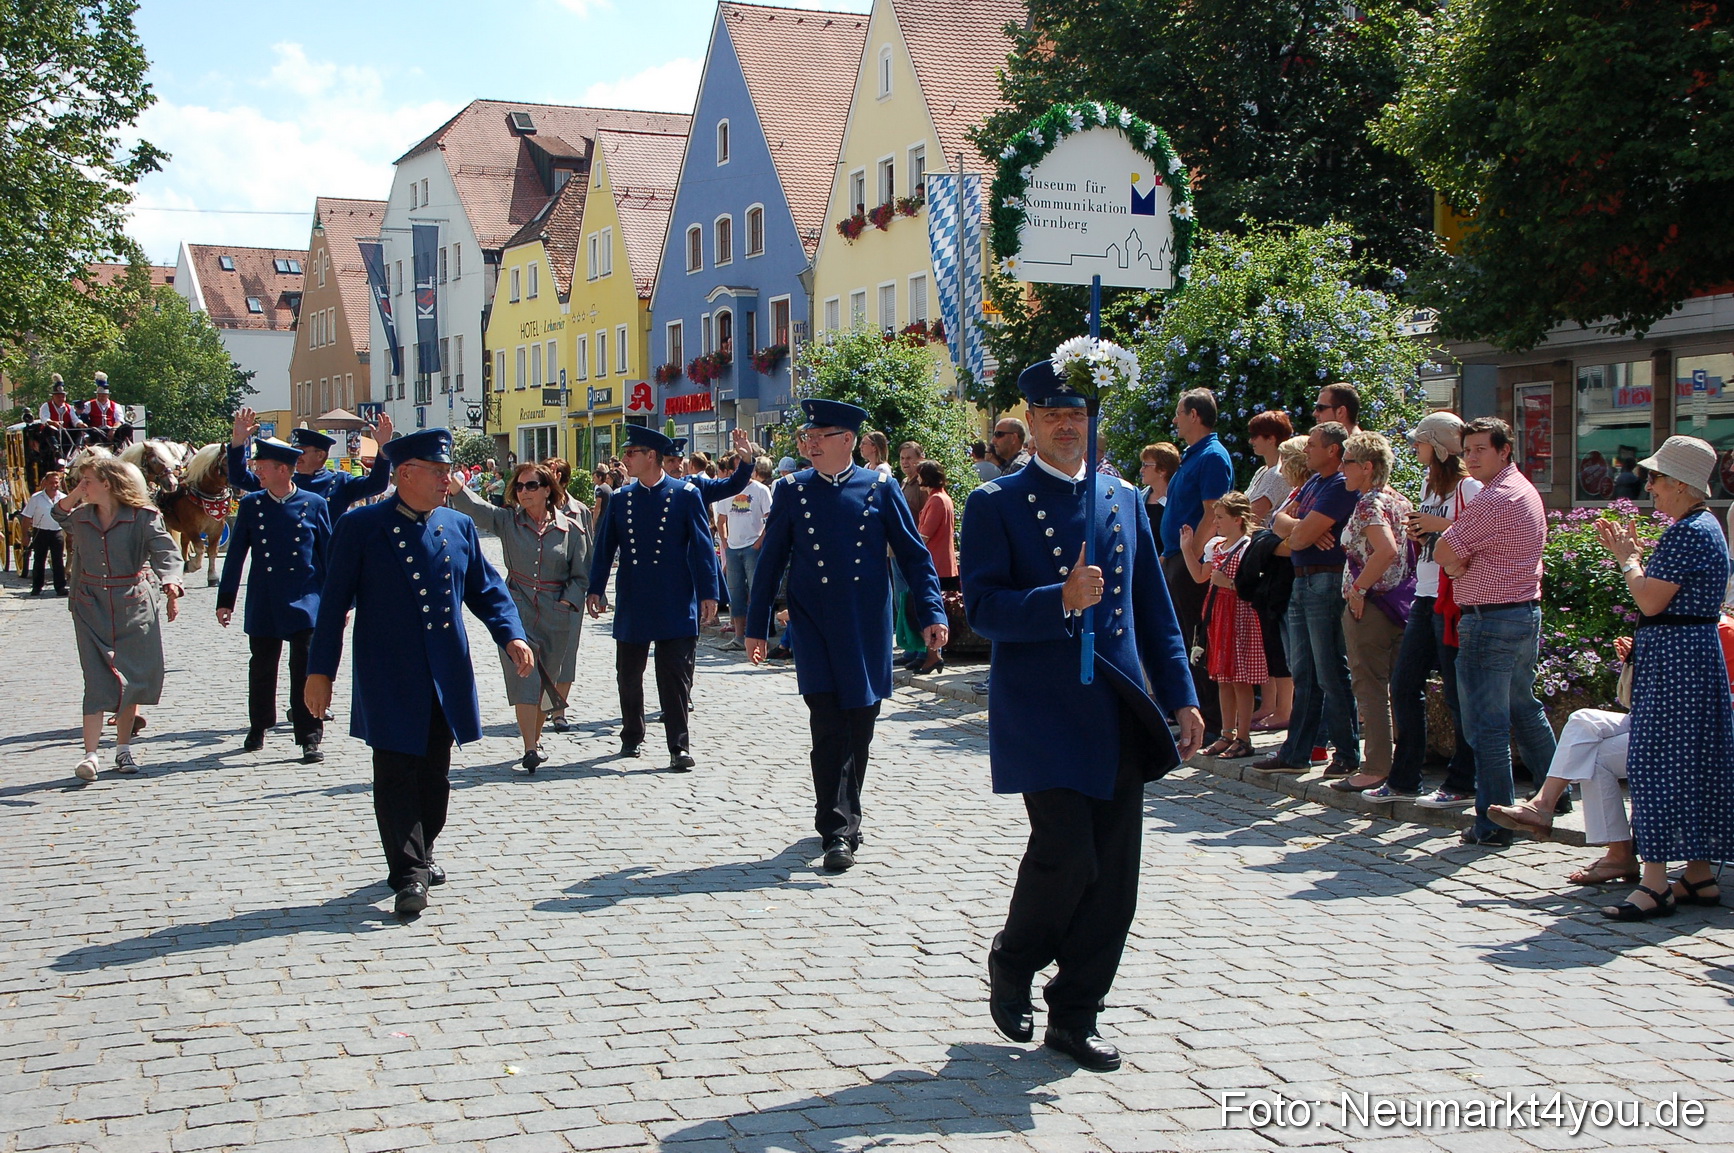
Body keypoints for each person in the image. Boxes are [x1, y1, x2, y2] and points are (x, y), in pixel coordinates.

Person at [961, 359, 1203, 1073]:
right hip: (1042, 706)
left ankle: (1076, 1012)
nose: (1067, 425)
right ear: (1030, 425)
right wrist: (1057, 598)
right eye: (1052, 415)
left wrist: (1182, 693)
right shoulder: (997, 503)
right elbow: (983, 607)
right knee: (1067, 855)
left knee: (1114, 877)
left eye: (1078, 415)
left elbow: (1156, 612)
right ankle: (1016, 957)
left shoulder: (1121, 498)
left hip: (1117, 705)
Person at [306, 428, 532, 917]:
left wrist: (510, 632)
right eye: (438, 471)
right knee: (394, 774)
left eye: (447, 471)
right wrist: (319, 671)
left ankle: (424, 849)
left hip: (444, 671)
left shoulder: (457, 525)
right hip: (387, 673)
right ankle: (407, 872)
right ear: (405, 473)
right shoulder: (361, 527)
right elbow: (332, 606)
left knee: (435, 776)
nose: (446, 479)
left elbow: (486, 589)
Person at [746, 399, 946, 870]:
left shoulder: (880, 486)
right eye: (807, 437)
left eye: (822, 435)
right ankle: (835, 829)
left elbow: (915, 556)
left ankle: (846, 813)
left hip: (865, 628)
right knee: (827, 724)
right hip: (814, 625)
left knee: (860, 726)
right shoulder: (792, 490)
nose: (810, 444)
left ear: (848, 441)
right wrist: (757, 626)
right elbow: (771, 561)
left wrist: (932, 611)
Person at [1584, 436, 1734, 919]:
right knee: (1692, 762)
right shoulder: (1704, 527)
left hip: (1676, 661)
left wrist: (1628, 559)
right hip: (1691, 655)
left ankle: (1655, 884)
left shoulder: (1688, 532)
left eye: (1656, 478)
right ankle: (1698, 874)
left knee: (1657, 763)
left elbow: (1650, 599)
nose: (1649, 487)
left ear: (1681, 484)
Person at [1434, 417, 1555, 848]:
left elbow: (1444, 548)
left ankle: (1495, 821)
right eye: (1467, 450)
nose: (1470, 457)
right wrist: (1457, 563)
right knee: (1523, 707)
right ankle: (1554, 796)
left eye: (1481, 449)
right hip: (1522, 613)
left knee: (1487, 724)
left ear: (1505, 450)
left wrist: (1453, 565)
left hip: (1491, 619)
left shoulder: (1496, 496)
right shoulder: (1524, 489)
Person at [586, 425, 718, 770]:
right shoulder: (621, 498)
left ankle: (679, 746)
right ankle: (632, 733)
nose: (625, 459)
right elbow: (604, 546)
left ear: (651, 457)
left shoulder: (685, 494)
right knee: (628, 674)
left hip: (675, 597)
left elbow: (703, 548)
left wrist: (709, 593)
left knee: (674, 675)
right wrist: (596, 587)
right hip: (634, 597)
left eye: (632, 453)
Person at [1368, 413, 1482, 806]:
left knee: (1456, 692)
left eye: (1420, 442)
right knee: (1403, 684)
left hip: (1453, 596)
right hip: (1425, 591)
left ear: (1437, 445)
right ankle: (1405, 778)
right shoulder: (1428, 484)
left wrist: (1437, 525)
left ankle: (1465, 780)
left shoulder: (1468, 487)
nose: (1415, 448)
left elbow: (1476, 533)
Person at [447, 461, 592, 770]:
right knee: (524, 676)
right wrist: (455, 485)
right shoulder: (508, 521)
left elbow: (582, 576)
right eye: (520, 486)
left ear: (547, 490)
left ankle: (534, 738)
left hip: (556, 613)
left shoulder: (572, 529)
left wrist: (568, 604)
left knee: (545, 681)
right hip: (517, 607)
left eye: (531, 486)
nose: (524, 492)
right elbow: (478, 509)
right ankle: (529, 747)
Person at [53, 455, 184, 781]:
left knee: (130, 679)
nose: (82, 487)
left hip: (134, 604)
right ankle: (91, 756)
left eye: (88, 482)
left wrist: (171, 581)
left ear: (108, 484)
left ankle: (123, 749)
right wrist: (77, 492)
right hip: (90, 605)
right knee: (96, 680)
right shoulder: (81, 517)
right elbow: (58, 514)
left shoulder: (143, 517)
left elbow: (165, 552)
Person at [215, 438, 333, 761]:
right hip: (265, 598)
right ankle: (259, 725)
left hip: (304, 598)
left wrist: (340, 603)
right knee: (262, 667)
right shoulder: (252, 505)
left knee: (306, 669)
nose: (257, 472)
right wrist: (225, 599)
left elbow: (329, 557)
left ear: (283, 469)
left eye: (262, 467)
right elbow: (236, 554)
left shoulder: (314, 504)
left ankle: (310, 734)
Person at [1254, 422, 1359, 776]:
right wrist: (1302, 528)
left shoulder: (1341, 484)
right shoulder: (1312, 482)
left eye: (1313, 445)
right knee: (1304, 672)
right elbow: (1276, 520)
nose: (1307, 450)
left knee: (1330, 669)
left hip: (1326, 581)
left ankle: (1346, 752)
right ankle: (1296, 750)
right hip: (1301, 581)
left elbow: (1295, 537)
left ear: (1332, 450)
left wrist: (1300, 531)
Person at [1332, 431, 1414, 794]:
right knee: (1398, 688)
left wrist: (1359, 590)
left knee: (1370, 688)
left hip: (1374, 605)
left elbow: (1387, 550)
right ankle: (1402, 763)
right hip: (1399, 604)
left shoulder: (1369, 504)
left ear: (1367, 467)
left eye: (1347, 462)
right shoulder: (1399, 500)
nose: (1342, 468)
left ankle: (1376, 766)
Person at [1160, 389, 1234, 738]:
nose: (1174, 419)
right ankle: (1196, 715)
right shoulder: (1195, 455)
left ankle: (1211, 721)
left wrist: (1193, 555)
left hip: (1194, 562)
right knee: (1186, 637)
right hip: (1178, 557)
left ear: (1194, 415)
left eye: (1179, 412)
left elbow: (1212, 513)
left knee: (1197, 639)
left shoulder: (1213, 457)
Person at [1179, 491, 1264, 760]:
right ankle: (1228, 733)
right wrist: (1186, 548)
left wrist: (1228, 583)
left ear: (1237, 520)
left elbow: (1256, 587)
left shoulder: (1250, 546)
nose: (1215, 522)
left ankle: (1244, 736)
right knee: (1223, 678)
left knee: (1241, 679)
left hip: (1240, 614)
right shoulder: (1216, 547)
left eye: (1220, 517)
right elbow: (1200, 577)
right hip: (1219, 615)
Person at [228, 407, 396, 518]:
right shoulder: (282, 479)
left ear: (320, 455)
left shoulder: (340, 482)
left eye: (302, 452)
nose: (296, 456)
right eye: (294, 451)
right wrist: (238, 442)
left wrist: (382, 449)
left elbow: (377, 485)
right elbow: (238, 478)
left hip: (326, 557)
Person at [1244, 414, 1296, 729]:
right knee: (1264, 637)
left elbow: (1255, 514)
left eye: (1257, 435)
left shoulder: (1279, 475)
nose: (1252, 441)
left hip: (1270, 558)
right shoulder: (1264, 470)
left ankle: (1280, 707)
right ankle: (1270, 703)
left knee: (1275, 638)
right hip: (1259, 553)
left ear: (1272, 437)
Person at [719, 457, 774, 650]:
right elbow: (721, 519)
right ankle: (739, 636)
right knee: (735, 593)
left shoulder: (761, 490)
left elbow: (770, 519)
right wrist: (725, 543)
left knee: (755, 591)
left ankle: (756, 635)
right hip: (733, 548)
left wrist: (759, 542)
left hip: (752, 546)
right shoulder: (728, 490)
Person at [912, 460, 959, 673]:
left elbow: (925, 534)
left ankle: (933, 655)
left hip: (936, 563)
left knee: (930, 611)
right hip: (942, 562)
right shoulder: (943, 497)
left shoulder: (937, 500)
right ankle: (932, 654)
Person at [20, 471, 68, 596]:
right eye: (51, 482)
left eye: (56, 482)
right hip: (40, 532)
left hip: (57, 532)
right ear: (45, 483)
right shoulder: (36, 498)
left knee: (58, 561)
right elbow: (26, 518)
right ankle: (37, 587)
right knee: (39, 560)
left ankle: (60, 587)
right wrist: (24, 535)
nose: (54, 485)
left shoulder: (63, 498)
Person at [1137, 443, 1180, 556]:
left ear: (1162, 470)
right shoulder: (1139, 498)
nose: (1141, 470)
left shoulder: (1178, 501)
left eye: (1146, 465)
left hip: (1169, 568)